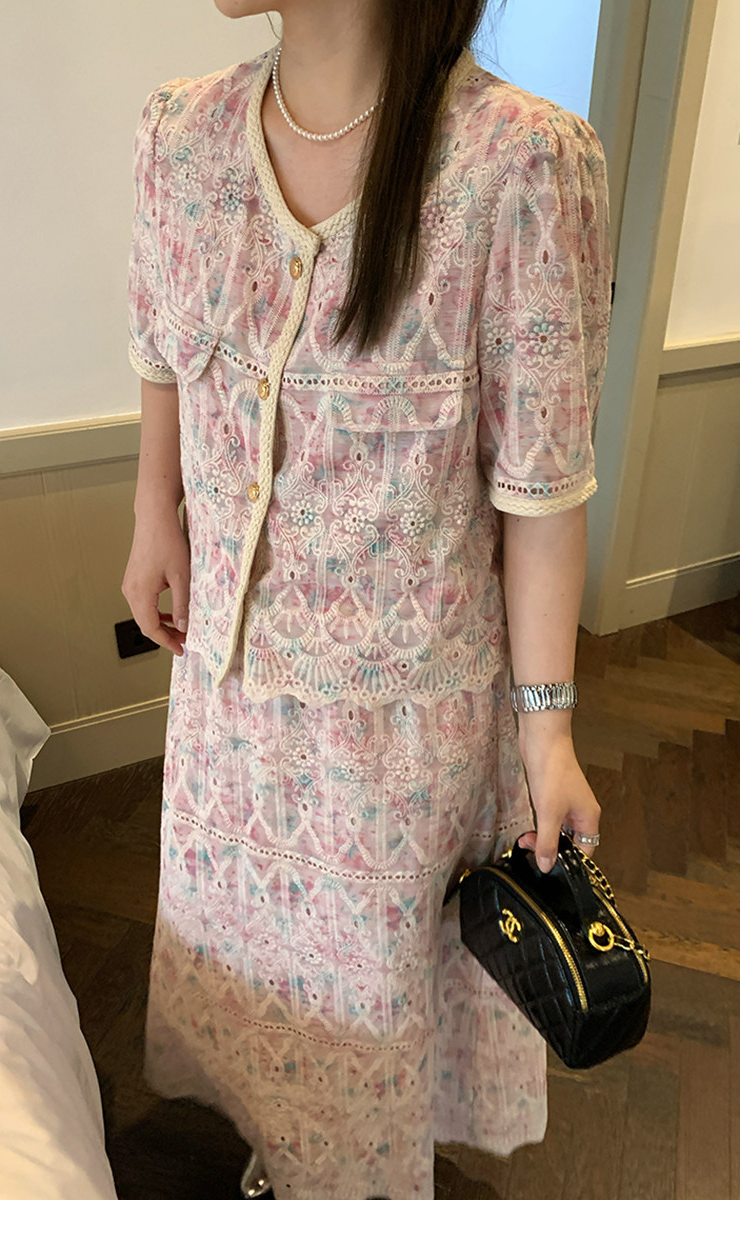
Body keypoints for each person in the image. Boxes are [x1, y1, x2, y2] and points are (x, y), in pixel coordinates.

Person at [121, 0, 611, 1201]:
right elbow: (161, 345)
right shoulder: (181, 135)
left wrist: (545, 731)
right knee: (255, 993)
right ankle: (286, 1158)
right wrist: (152, 516)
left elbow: (540, 487)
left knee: (365, 1020)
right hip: (228, 702)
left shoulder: (514, 164)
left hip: (391, 744)